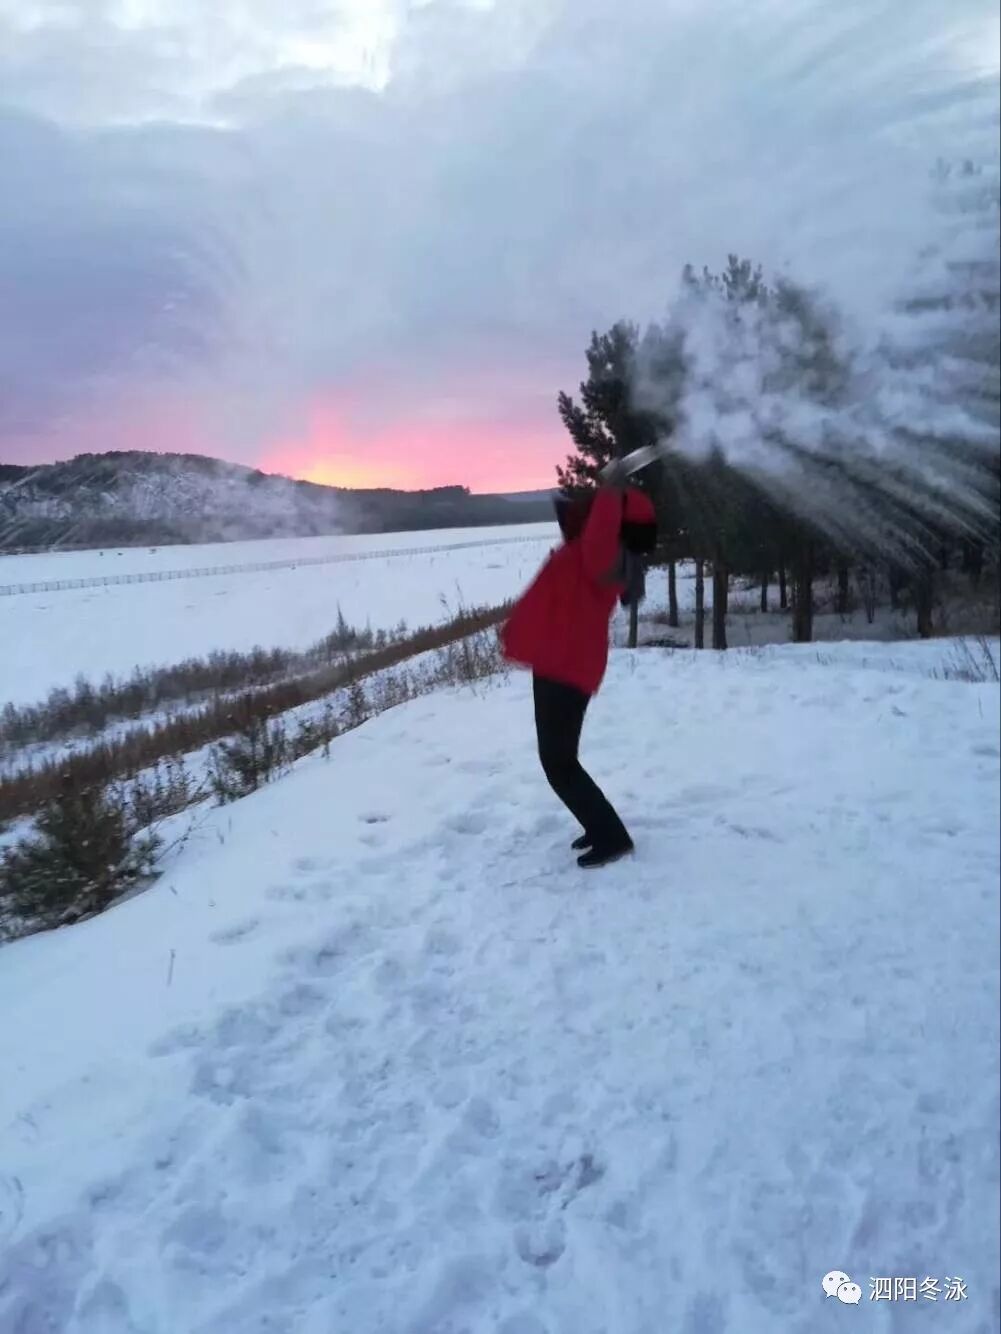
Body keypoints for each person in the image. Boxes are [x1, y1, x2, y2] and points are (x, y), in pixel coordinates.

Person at [500, 474, 658, 868]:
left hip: (566, 667)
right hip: (560, 662)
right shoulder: (596, 553)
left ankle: (611, 837)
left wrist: (612, 489)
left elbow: (599, 530)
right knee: (560, 759)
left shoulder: (603, 555)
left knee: (559, 764)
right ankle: (599, 825)